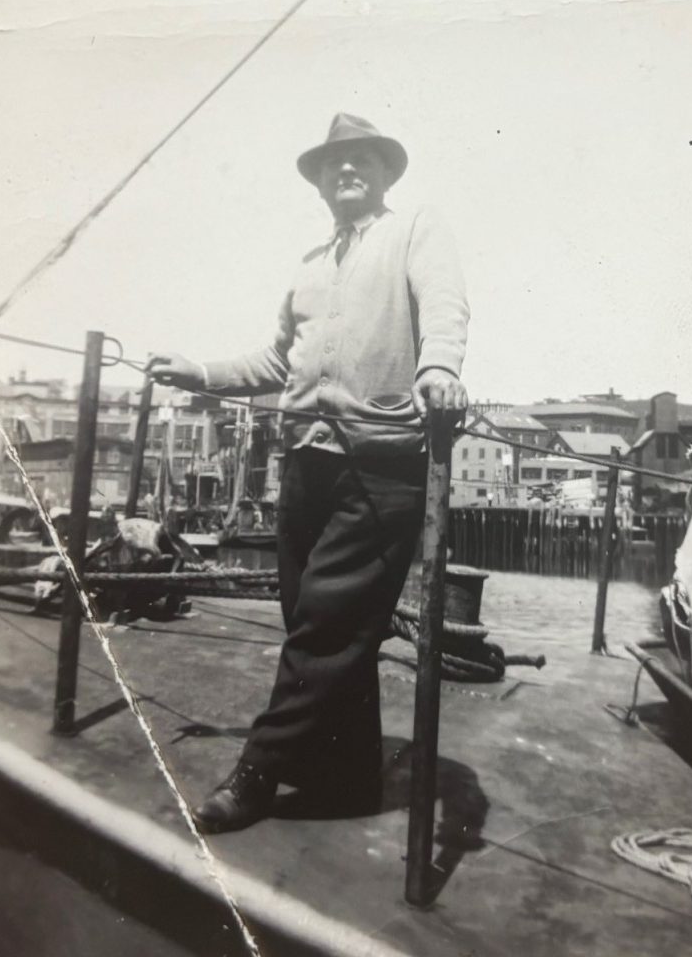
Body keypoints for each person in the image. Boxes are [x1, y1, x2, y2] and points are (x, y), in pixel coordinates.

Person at [147, 112, 469, 832]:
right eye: (333, 163)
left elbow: (444, 308)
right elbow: (271, 363)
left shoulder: (414, 231)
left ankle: (257, 776)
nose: (346, 170)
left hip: (381, 463)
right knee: (320, 625)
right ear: (319, 181)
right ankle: (349, 777)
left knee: (325, 627)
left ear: (385, 173)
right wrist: (198, 370)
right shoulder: (308, 264)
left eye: (360, 160)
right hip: (305, 465)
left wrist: (439, 367)